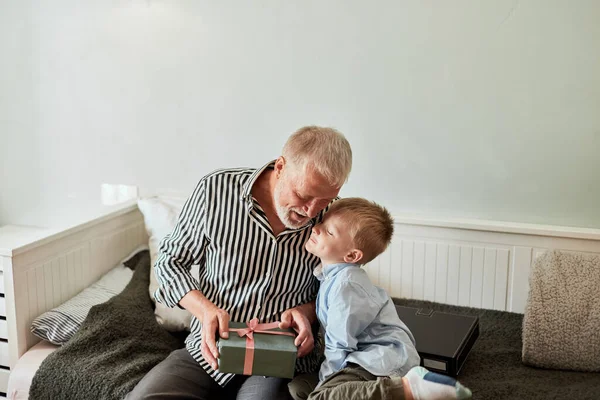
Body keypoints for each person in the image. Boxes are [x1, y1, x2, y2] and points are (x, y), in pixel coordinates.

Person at [127, 126, 353, 400]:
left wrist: (307, 312)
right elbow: (170, 263)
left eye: (325, 200)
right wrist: (205, 310)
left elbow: (340, 287)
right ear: (280, 167)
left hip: (278, 362)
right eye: (304, 196)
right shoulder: (215, 191)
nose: (311, 211)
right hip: (207, 350)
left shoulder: (335, 219)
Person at [290, 198, 472, 400]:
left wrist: (325, 385)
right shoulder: (331, 275)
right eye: (322, 223)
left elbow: (339, 345)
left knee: (321, 397)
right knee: (298, 388)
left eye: (329, 232)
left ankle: (409, 388)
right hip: (365, 359)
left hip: (376, 360)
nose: (316, 228)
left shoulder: (345, 286)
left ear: (351, 256)